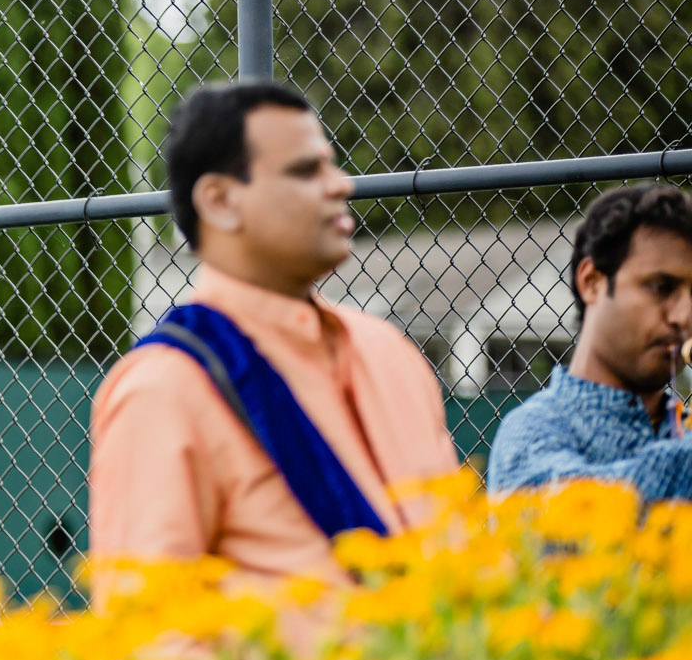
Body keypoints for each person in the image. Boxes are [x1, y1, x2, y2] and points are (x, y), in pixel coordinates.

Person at [89, 82, 459, 587]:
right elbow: (150, 636)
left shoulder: (389, 351)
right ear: (219, 201)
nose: (340, 185)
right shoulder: (163, 389)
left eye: (331, 164)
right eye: (306, 170)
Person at [487, 183, 692, 500]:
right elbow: (586, 512)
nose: (684, 317)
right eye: (662, 287)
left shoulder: (684, 428)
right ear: (592, 282)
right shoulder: (531, 432)